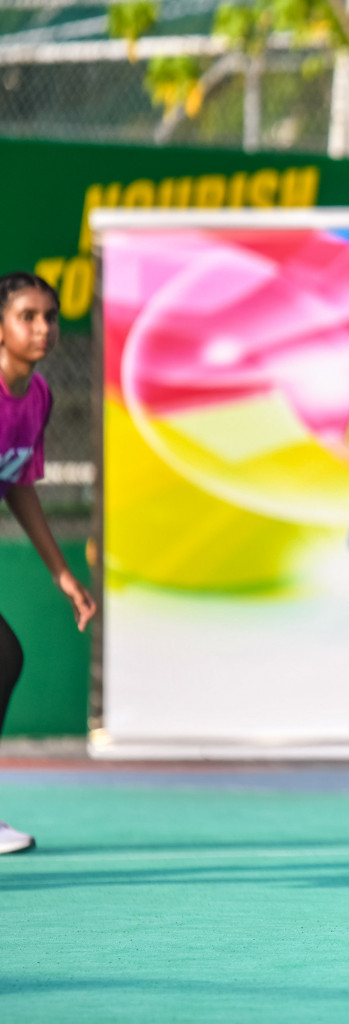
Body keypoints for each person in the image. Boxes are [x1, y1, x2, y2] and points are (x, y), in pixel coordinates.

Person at [0, 271, 98, 855]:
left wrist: (62, 574)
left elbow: (18, 485)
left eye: (51, 316)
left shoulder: (36, 396)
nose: (44, 328)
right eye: (28, 316)